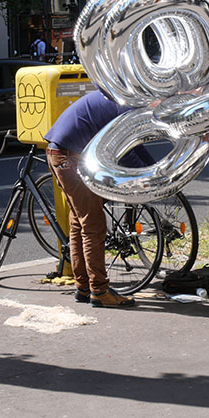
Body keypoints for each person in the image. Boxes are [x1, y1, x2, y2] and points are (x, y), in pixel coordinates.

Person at [44, 89, 152, 308]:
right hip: (69, 156)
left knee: (78, 222)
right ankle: (100, 291)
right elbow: (125, 151)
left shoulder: (123, 98)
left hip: (59, 151)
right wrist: (147, 176)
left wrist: (152, 168)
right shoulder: (128, 106)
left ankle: (83, 287)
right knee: (93, 225)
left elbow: (135, 145)